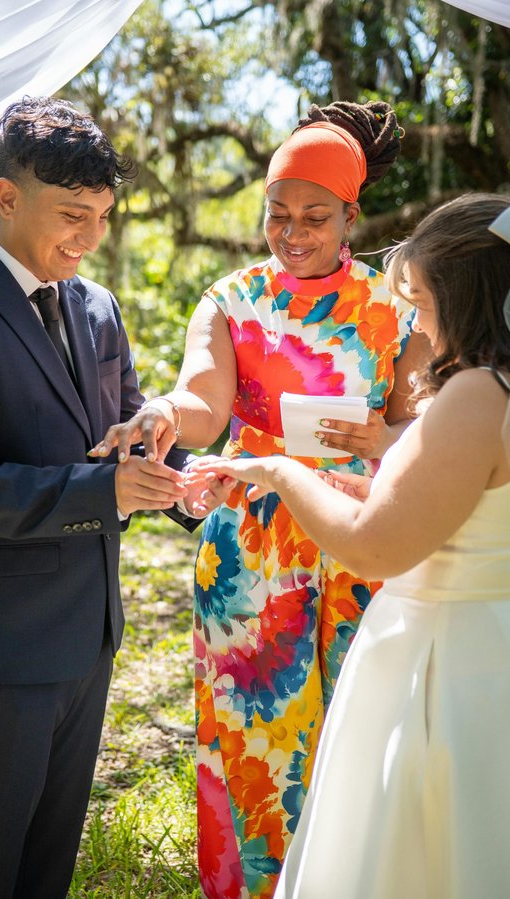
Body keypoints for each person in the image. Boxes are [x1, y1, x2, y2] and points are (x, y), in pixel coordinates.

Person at [90, 100, 431, 898]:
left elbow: (424, 421)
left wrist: (385, 435)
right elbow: (202, 400)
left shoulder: (397, 309)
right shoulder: (233, 300)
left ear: (352, 215)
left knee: (363, 733)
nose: (294, 232)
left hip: (365, 538)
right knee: (255, 746)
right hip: (252, 550)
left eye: (316, 216)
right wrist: (167, 414)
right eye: (278, 215)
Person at [0, 96, 228, 899]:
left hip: (90, 635)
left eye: (103, 217)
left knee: (47, 868)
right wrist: (103, 489)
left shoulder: (96, 305)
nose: (89, 237)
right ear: (7, 197)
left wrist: (192, 477)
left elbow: (129, 424)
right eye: (72, 215)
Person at [192, 192, 510, 899]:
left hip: (445, 660)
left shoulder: (478, 394)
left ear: (469, 297)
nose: (419, 326)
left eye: (424, 301)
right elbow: (452, 508)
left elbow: (373, 551)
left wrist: (279, 471)